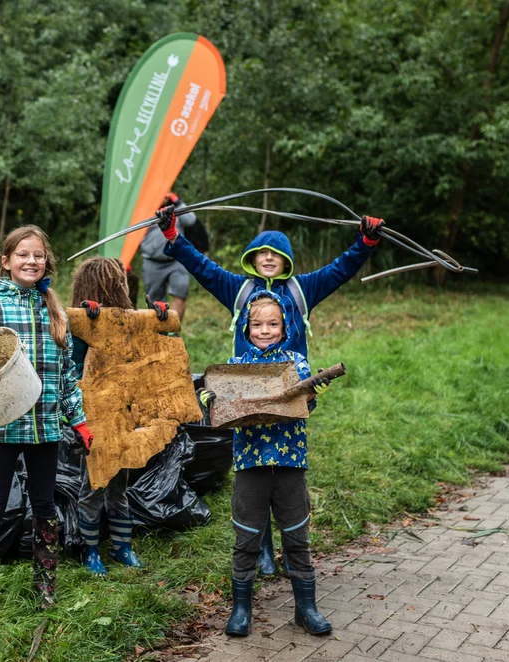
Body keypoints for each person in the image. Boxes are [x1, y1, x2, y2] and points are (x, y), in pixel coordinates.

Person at [156, 203, 384, 575]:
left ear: (286, 261)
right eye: (261, 252)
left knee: (286, 467)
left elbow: (340, 269)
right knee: (252, 471)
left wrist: (366, 240)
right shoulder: (237, 288)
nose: (267, 259)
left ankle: (292, 541)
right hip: (246, 396)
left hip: (290, 394)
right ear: (251, 257)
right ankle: (261, 548)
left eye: (275, 254)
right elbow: (201, 266)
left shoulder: (303, 289)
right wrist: (172, 237)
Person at [0, 225, 94, 633]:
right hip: (3, 427)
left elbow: (66, 376)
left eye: (37, 255)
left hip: (45, 429)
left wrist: (80, 420)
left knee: (45, 506)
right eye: (22, 255)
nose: (30, 261)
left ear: (45, 262)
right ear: (6, 261)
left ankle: (45, 586)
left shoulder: (54, 311)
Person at [202, 291, 331, 637]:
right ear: (246, 328)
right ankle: (242, 609)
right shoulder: (234, 367)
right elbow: (214, 402)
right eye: (257, 324)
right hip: (250, 465)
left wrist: (314, 391)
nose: (264, 330)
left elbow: (307, 407)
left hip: (289, 463)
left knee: (297, 537)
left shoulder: (295, 364)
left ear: (284, 327)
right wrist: (208, 398)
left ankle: (307, 608)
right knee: (246, 539)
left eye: (272, 324)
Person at [69, 257, 169, 575]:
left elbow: (154, 354)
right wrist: (86, 328)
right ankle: (90, 552)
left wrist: (161, 321)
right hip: (95, 419)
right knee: (94, 487)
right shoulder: (83, 323)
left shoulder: (128, 322)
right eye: (119, 283)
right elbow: (72, 367)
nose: (124, 287)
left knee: (118, 487)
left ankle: (123, 548)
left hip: (124, 416)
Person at [140, 193, 198, 323]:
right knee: (155, 300)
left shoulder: (176, 208)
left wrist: (177, 202)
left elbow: (191, 220)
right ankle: (160, 331)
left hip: (176, 260)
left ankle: (173, 329)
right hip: (152, 261)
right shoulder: (146, 207)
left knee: (180, 293)